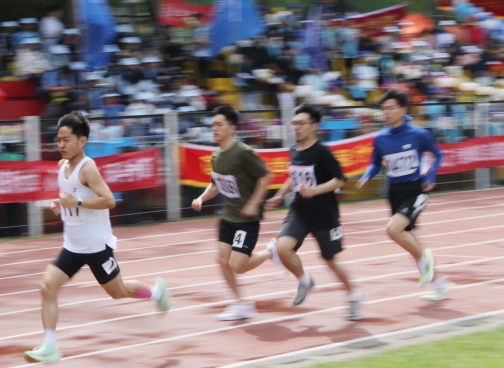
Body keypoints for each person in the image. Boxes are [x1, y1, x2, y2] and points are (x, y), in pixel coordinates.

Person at [24, 112, 172, 363]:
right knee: (47, 287)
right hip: (73, 245)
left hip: (96, 246)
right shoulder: (61, 166)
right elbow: (71, 195)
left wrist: (77, 203)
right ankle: (50, 347)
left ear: (82, 141)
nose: (61, 145)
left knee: (118, 291)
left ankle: (157, 293)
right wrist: (61, 204)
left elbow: (109, 200)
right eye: (58, 139)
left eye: (66, 140)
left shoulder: (88, 168)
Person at [266, 103, 363, 321]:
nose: (296, 127)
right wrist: (279, 195)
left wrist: (315, 190)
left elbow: (340, 180)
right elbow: (293, 178)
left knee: (330, 259)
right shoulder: (293, 150)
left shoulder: (322, 152)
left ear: (314, 126)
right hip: (299, 211)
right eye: (294, 123)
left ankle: (354, 296)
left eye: (301, 123)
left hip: (324, 215)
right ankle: (304, 280)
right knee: (282, 248)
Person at [357, 89, 454, 301]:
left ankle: (423, 260)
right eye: (383, 109)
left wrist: (431, 176)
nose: (386, 112)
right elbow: (375, 163)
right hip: (394, 192)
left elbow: (438, 154)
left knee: (393, 230)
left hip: (415, 191)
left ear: (403, 109)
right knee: (412, 239)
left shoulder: (419, 134)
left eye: (390, 108)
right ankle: (440, 283)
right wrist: (367, 175)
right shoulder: (380, 138)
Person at [191, 106, 276, 321]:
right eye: (213, 125)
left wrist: (254, 204)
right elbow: (215, 185)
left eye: (219, 125)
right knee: (222, 260)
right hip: (228, 216)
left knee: (238, 266)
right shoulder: (216, 155)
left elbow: (266, 176)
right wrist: (201, 198)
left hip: (246, 219)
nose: (214, 128)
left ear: (232, 128)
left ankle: (270, 252)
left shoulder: (243, 152)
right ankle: (240, 303)